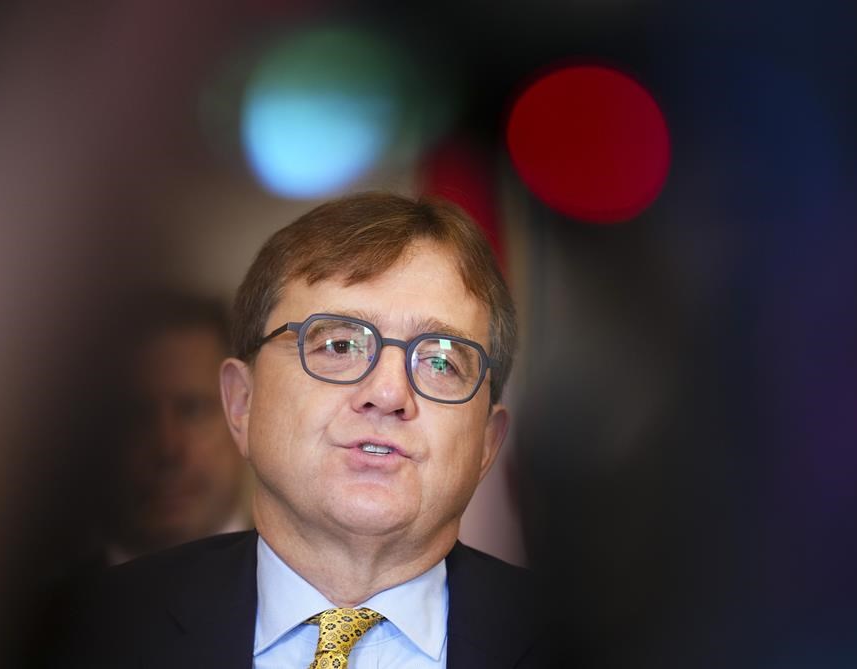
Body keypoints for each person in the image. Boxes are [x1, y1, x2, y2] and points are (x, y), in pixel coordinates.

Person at [57, 193, 540, 668]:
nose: (389, 393)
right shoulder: (70, 634)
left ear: (487, 443)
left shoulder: (577, 646)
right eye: (339, 345)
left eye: (439, 362)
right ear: (242, 402)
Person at [107, 293, 252, 563]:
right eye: (137, 416)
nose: (168, 448)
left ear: (242, 410)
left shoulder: (314, 583)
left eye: (192, 410)